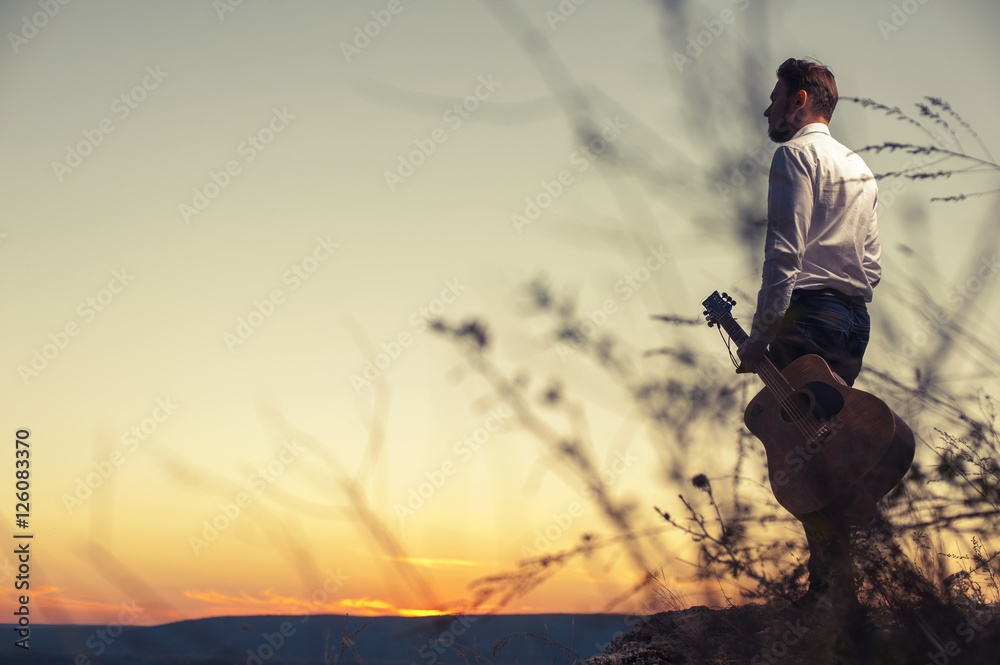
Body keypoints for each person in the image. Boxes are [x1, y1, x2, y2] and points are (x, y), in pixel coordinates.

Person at [735, 58, 881, 610]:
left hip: (808, 313)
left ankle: (830, 592)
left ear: (799, 100)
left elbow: (784, 253)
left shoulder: (793, 155)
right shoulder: (859, 167)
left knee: (804, 449)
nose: (767, 107)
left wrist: (762, 330)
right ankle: (837, 582)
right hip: (853, 318)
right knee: (830, 445)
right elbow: (872, 264)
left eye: (774, 96)